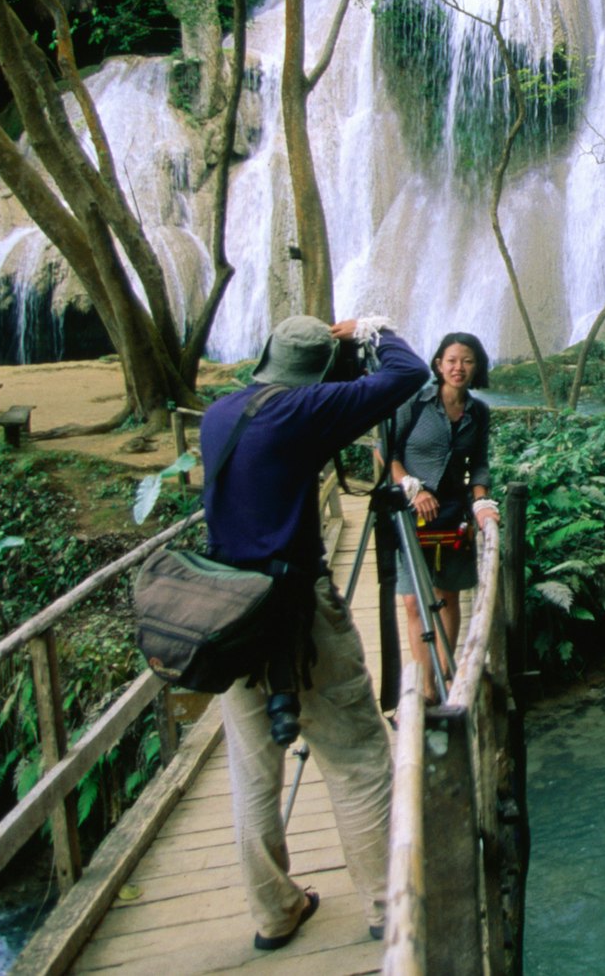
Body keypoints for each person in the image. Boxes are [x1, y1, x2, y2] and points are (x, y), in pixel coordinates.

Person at [200, 314, 427, 951]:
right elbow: (407, 374)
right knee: (356, 758)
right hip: (298, 613)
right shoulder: (302, 413)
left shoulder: (218, 415)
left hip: (230, 614)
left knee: (252, 773)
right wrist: (372, 329)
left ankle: (274, 912)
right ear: (318, 375)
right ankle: (388, 909)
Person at [383, 331, 498, 703]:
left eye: (467, 360)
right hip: (411, 511)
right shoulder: (413, 403)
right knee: (415, 600)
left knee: (447, 596)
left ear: (476, 366)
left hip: (453, 513)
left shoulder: (478, 412)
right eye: (451, 360)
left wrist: (481, 501)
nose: (458, 367)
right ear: (438, 364)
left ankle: (447, 675)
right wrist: (411, 487)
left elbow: (478, 462)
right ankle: (424, 689)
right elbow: (385, 452)